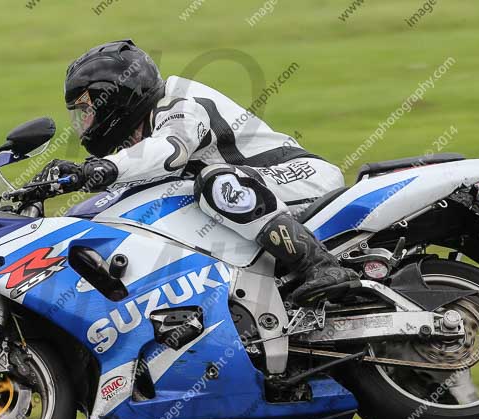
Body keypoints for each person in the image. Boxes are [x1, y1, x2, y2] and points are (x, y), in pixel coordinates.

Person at [38, 39, 358, 302]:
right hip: (264, 191)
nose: (84, 124)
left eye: (88, 111)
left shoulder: (180, 104)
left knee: (215, 182)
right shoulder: (148, 129)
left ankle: (321, 266)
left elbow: (170, 152)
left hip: (300, 176)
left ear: (116, 99)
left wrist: (103, 168)